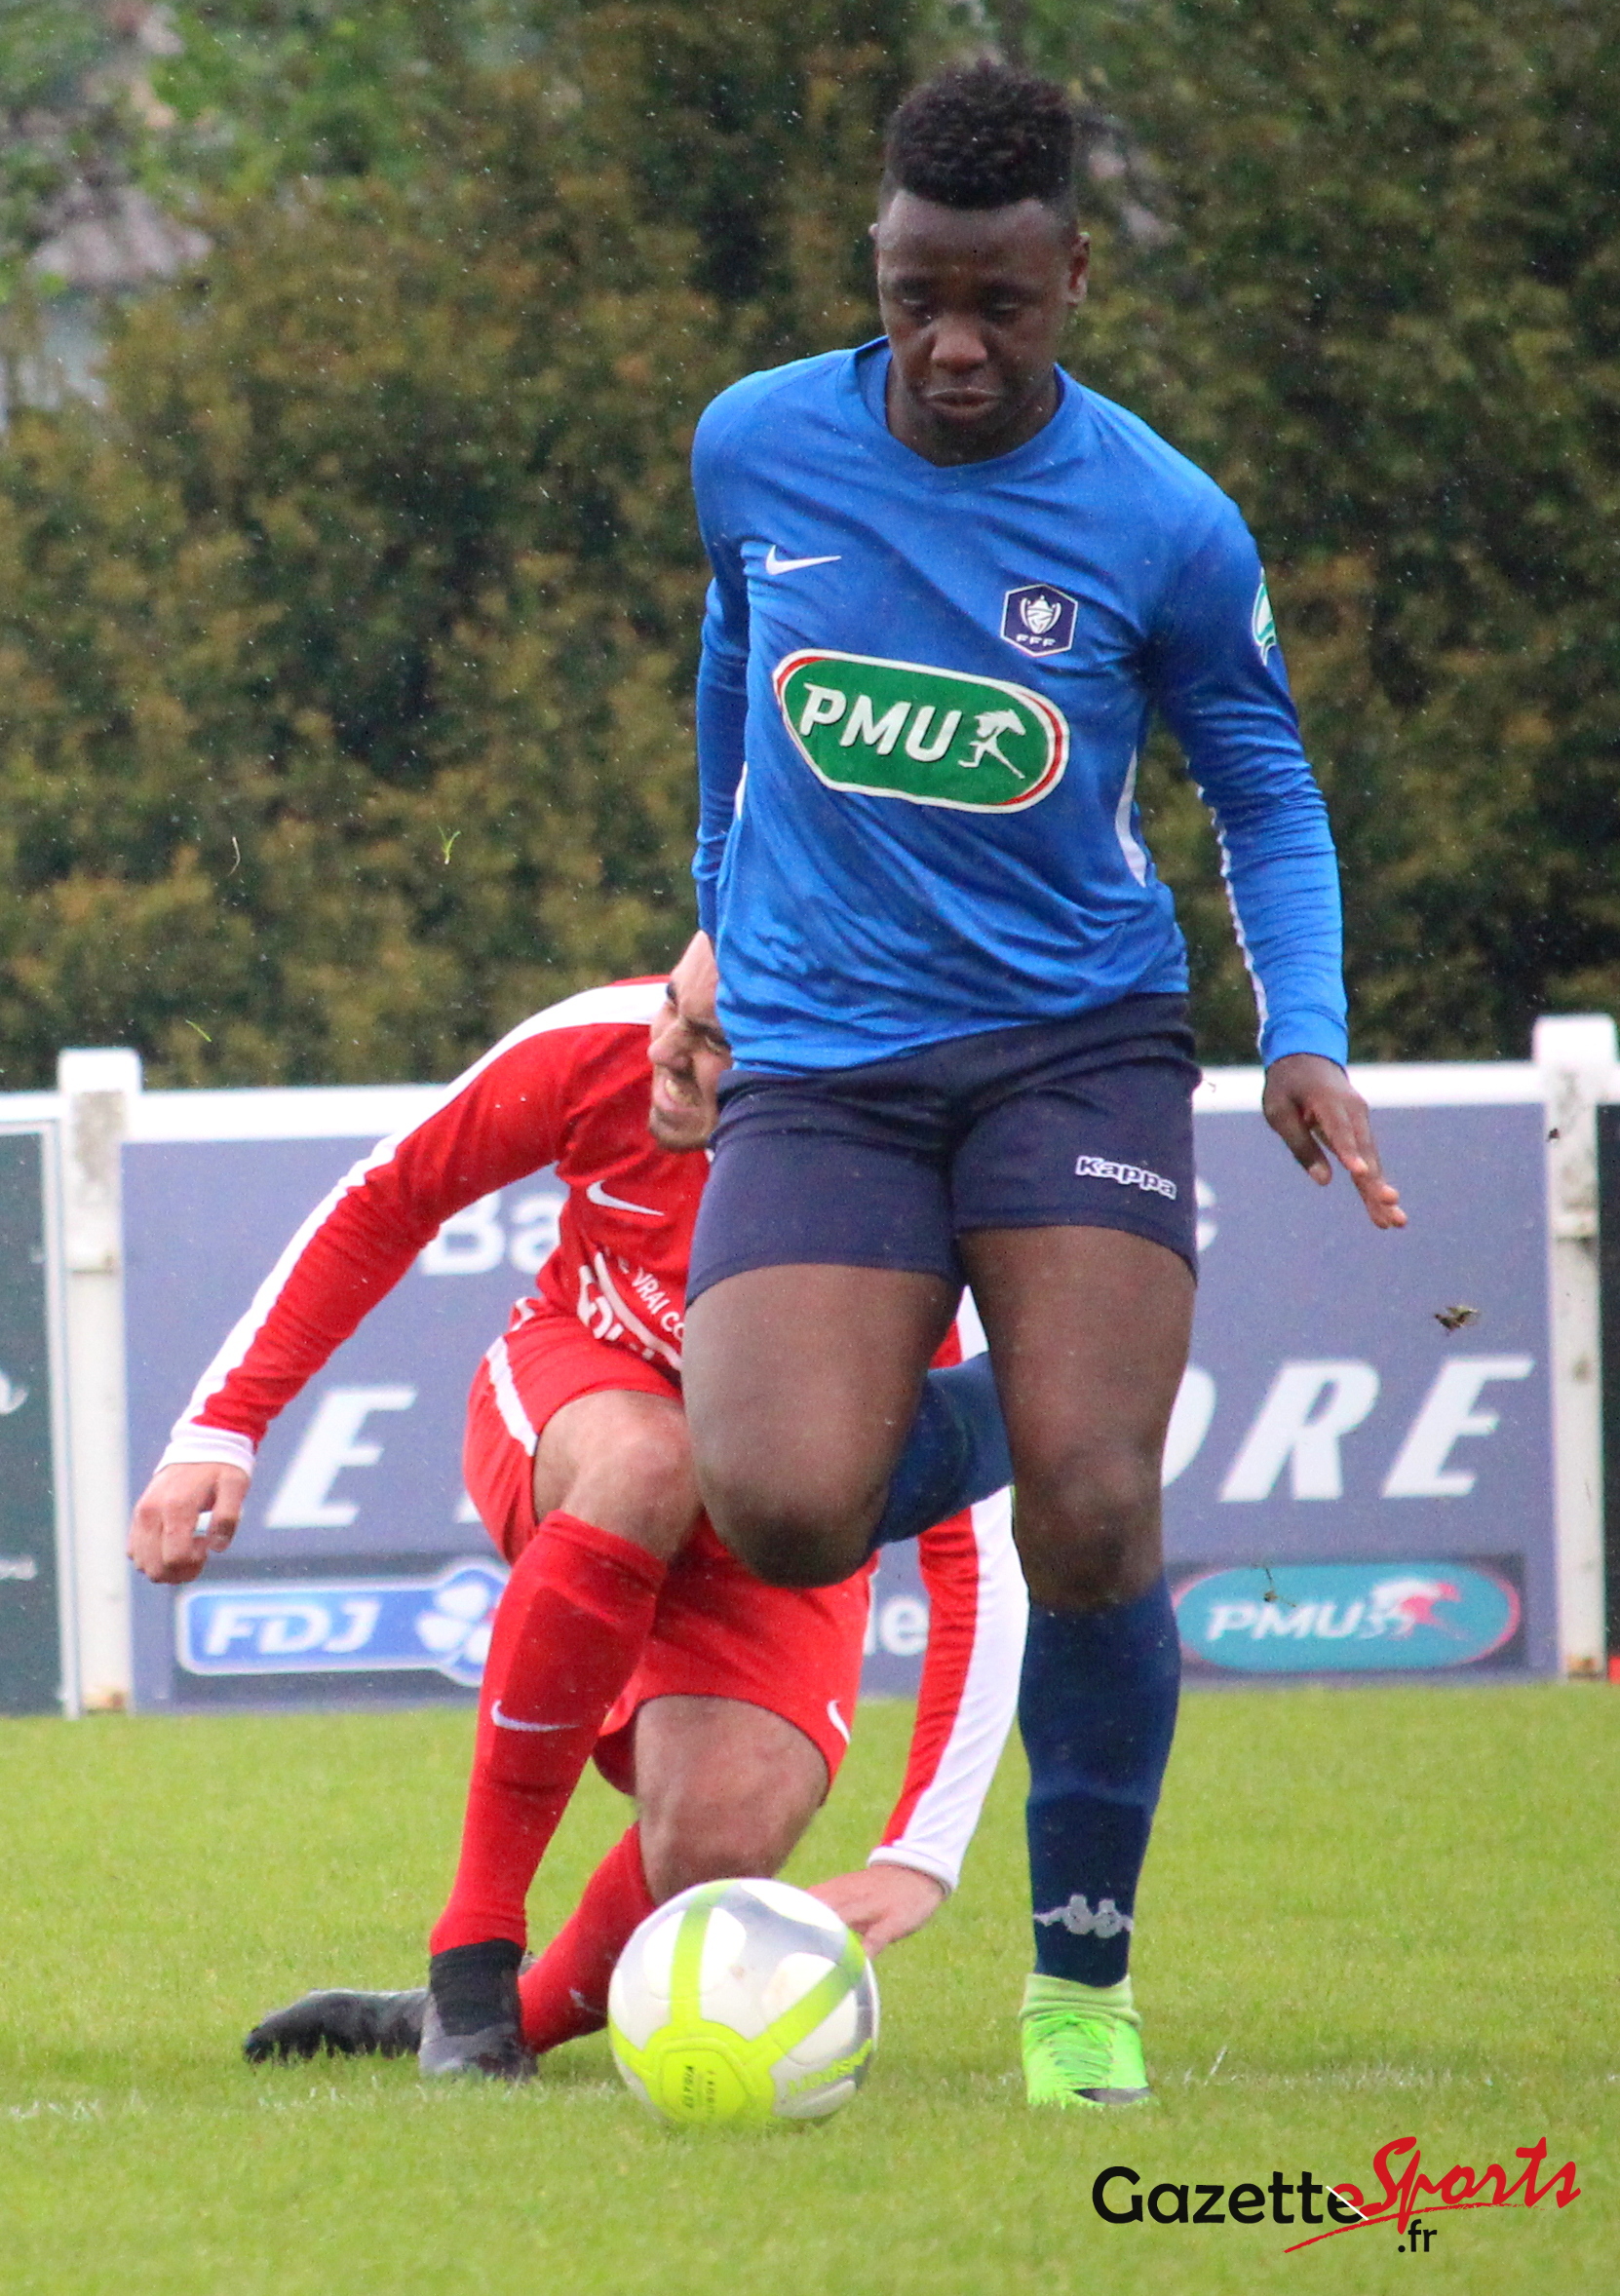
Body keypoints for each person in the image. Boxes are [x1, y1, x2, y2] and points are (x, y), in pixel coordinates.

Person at [677, 61, 1407, 2111]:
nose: (953, 344)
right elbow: (733, 676)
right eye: (915, 296)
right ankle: (1071, 1381)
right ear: (875, 267)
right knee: (782, 1507)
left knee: (1093, 1509)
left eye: (998, 302)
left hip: (1072, 1041)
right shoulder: (753, 444)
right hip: (824, 1058)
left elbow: (1263, 783)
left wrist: (1304, 1024)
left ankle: (1079, 1989)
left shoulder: (1160, 520)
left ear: (1074, 275)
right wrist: (713, 920)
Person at [130, 937, 1023, 2078]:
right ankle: (474, 1947)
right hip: (581, 1395)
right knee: (654, 1460)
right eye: (673, 1008)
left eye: (710, 1041)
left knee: (723, 1838)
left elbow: (975, 1550)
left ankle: (480, 2022)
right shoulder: (599, 1044)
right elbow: (387, 1196)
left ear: (811, 1068)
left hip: (775, 1507)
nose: (665, 1051)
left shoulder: (904, 1211)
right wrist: (220, 1427)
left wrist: (922, 1850)